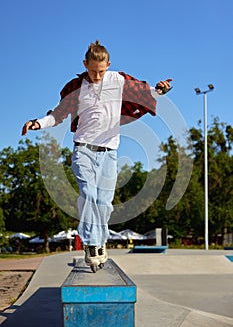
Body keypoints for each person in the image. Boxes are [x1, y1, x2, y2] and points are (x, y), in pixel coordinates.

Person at [22, 40, 172, 272]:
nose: (97, 75)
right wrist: (36, 123)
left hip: (109, 153)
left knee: (104, 204)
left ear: (108, 65)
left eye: (101, 71)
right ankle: (92, 244)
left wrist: (160, 91)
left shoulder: (117, 80)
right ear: (85, 64)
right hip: (83, 150)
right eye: (92, 70)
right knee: (89, 194)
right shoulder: (75, 88)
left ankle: (99, 241)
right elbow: (59, 114)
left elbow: (145, 94)